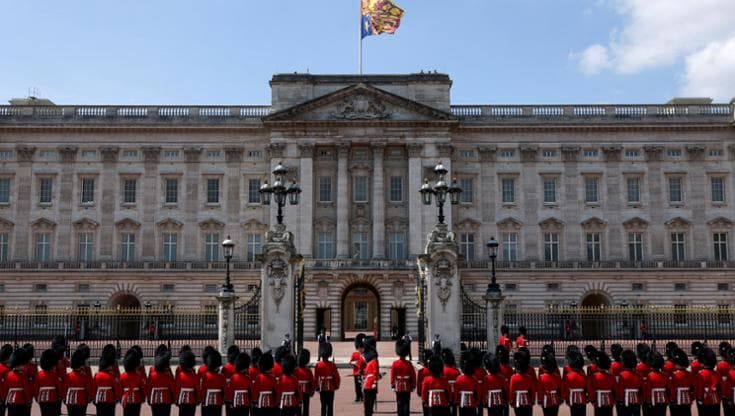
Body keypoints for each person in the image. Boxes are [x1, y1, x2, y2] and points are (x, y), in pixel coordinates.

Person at [62, 349, 94, 416]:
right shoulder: (84, 376)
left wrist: (64, 398)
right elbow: (89, 388)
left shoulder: (68, 376)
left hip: (69, 400)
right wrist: (90, 397)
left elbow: (64, 389)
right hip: (81, 400)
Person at [2, 348, 33, 416]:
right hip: (21, 401)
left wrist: (3, 399)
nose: (24, 366)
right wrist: (29, 400)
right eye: (23, 365)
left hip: (10, 401)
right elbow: (26, 389)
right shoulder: (23, 376)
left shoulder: (8, 375)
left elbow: (5, 389)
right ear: (20, 364)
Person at [390, 339, 416, 416]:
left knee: (399, 402)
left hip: (398, 385)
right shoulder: (409, 363)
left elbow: (392, 375)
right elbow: (413, 375)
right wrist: (413, 384)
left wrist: (392, 384)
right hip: (407, 385)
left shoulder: (395, 363)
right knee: (406, 402)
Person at [315, 342, 340, 416]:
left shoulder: (318, 365)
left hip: (322, 387)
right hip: (331, 387)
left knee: (323, 405)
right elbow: (337, 377)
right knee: (330, 405)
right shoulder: (332, 365)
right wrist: (336, 385)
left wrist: (316, 387)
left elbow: (316, 377)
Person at [148, 350, 176, 416]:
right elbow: (173, 388)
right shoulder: (168, 376)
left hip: (154, 398)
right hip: (166, 399)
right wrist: (174, 398)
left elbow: (148, 388)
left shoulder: (152, 375)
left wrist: (149, 398)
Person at [615, 350, 642, 416]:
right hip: (636, 401)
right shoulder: (638, 375)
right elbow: (641, 389)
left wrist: (620, 400)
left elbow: (621, 389)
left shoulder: (622, 375)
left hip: (625, 401)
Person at [93, 351, 121, 416]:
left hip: (99, 398)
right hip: (110, 399)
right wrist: (117, 397)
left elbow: (94, 388)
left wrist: (94, 398)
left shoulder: (97, 375)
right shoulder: (111, 375)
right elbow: (116, 387)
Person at [694, 348, 720, 416]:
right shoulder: (717, 374)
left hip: (704, 400)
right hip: (715, 400)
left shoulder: (700, 374)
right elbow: (720, 388)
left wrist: (699, 397)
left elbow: (699, 388)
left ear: (703, 362)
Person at [588, 352, 615, 416]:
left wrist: (592, 399)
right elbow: (614, 389)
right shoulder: (611, 376)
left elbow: (592, 389)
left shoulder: (594, 376)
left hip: (598, 400)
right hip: (609, 400)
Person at [668, 347, 693, 416]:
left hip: (676, 400)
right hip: (687, 400)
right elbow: (693, 388)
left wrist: (671, 399)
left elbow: (672, 389)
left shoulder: (674, 375)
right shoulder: (690, 374)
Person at [120, 350, 146, 416]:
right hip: (137, 399)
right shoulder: (138, 376)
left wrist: (120, 397)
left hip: (126, 399)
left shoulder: (122, 376)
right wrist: (143, 397)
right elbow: (143, 388)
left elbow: (120, 389)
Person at [509, 350, 535, 416]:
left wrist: (511, 400)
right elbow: (532, 391)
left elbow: (511, 391)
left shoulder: (513, 378)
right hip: (528, 402)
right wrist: (532, 400)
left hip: (517, 402)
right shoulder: (529, 378)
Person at [561, 350, 587, 416]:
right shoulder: (583, 375)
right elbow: (587, 388)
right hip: (582, 398)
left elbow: (566, 388)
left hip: (572, 398)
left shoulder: (568, 376)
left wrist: (566, 398)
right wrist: (589, 398)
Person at [36, 349, 61, 416]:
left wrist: (36, 397)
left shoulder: (38, 374)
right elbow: (59, 386)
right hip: (53, 398)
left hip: (42, 399)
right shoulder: (54, 374)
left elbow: (36, 388)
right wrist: (60, 396)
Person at [643, 351, 669, 416]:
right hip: (663, 400)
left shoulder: (649, 376)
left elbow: (648, 389)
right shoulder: (665, 375)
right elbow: (668, 388)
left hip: (653, 399)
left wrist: (648, 400)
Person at [175, 350, 200, 416]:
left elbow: (177, 389)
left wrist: (177, 399)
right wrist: (198, 399)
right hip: (192, 400)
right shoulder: (194, 376)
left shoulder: (180, 375)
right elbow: (197, 389)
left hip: (182, 400)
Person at [200, 350, 226, 416]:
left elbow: (203, 390)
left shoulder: (205, 376)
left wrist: (202, 400)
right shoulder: (221, 377)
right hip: (218, 402)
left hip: (206, 402)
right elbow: (225, 390)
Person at [251, 351, 277, 416]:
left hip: (260, 405)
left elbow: (255, 392)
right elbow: (276, 391)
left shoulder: (258, 378)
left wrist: (254, 401)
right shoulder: (273, 378)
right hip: (271, 404)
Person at [454, 350, 478, 416]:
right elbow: (477, 393)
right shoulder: (475, 379)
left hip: (462, 404)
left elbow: (456, 393)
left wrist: (456, 401)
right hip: (472, 404)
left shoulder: (459, 379)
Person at [537, 350, 562, 416]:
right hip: (555, 399)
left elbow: (540, 390)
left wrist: (539, 399)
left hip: (545, 399)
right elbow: (560, 389)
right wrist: (561, 398)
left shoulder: (541, 377)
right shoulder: (557, 377)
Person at [362, 337, 380, 416]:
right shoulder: (374, 360)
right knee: (370, 403)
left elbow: (365, 372)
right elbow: (375, 372)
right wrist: (375, 382)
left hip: (366, 383)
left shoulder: (366, 359)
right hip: (372, 383)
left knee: (367, 403)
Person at [294, 349, 314, 416]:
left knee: (298, 408)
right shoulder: (308, 371)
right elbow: (312, 382)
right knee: (306, 408)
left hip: (297, 392)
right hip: (306, 391)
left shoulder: (295, 371)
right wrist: (312, 391)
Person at [441, 349, 460, 416]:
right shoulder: (456, 371)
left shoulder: (442, 371)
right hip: (454, 394)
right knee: (454, 411)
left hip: (445, 394)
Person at [349, 334, 366, 402]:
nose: (360, 349)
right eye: (359, 348)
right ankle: (357, 396)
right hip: (356, 372)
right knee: (357, 386)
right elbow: (350, 362)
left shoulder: (365, 354)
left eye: (361, 348)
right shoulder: (354, 354)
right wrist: (354, 363)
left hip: (363, 372)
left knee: (362, 385)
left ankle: (362, 396)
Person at [416, 350, 433, 416]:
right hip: (433, 393)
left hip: (424, 394)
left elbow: (419, 383)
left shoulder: (421, 371)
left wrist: (419, 392)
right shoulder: (434, 370)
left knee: (425, 412)